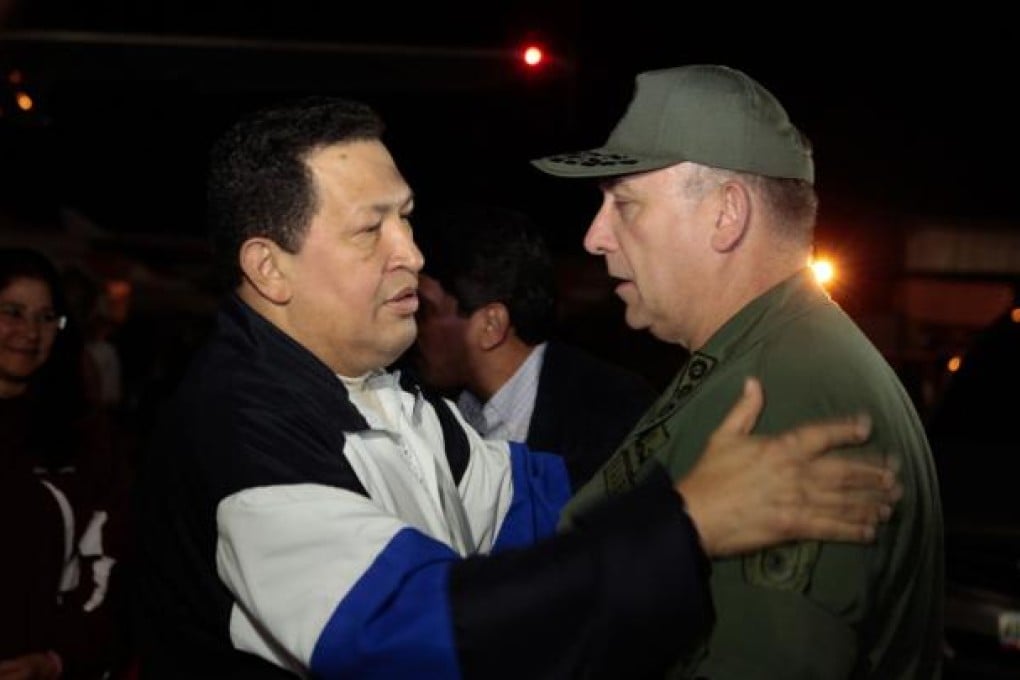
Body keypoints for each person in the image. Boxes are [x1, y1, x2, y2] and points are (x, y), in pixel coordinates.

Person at [132, 95, 901, 679]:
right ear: (269, 267)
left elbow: (538, 505)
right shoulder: (241, 436)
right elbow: (409, 628)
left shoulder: (381, 395)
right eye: (372, 230)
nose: (411, 252)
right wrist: (687, 520)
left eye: (406, 218)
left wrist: (696, 456)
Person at [532, 64, 944, 678]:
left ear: (726, 214)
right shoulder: (762, 355)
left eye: (626, 204)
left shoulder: (785, 396)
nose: (595, 237)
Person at [409, 201, 657, 488]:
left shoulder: (614, 415)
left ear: (491, 325)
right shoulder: (431, 411)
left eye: (425, 311)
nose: (411, 326)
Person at [0, 247, 127, 680]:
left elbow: (106, 563)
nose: (30, 332)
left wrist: (59, 660)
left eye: (46, 317)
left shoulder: (84, 439)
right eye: (13, 312)